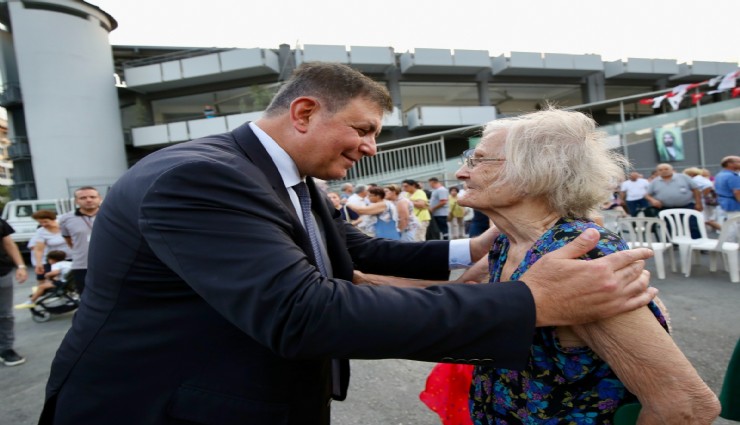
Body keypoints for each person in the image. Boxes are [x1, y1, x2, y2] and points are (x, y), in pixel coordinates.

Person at [40, 63, 656, 425]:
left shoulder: (283, 177)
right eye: (363, 130)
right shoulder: (203, 177)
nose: (370, 149)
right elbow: (302, 311)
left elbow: (359, 253)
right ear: (303, 112)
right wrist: (529, 302)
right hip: (167, 410)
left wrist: (473, 251)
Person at [416, 108, 719, 424]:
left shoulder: (579, 254)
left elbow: (686, 404)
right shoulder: (509, 241)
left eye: (479, 160)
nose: (463, 172)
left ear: (534, 172)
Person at [58, 186, 101, 295]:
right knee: (86, 297)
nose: (89, 200)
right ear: (77, 201)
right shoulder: (66, 219)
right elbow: (69, 240)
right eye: (83, 198)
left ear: (99, 198)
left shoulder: (112, 214)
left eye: (92, 197)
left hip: (110, 264)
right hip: (82, 265)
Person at [645, 163, 703, 238]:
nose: (664, 171)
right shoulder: (655, 182)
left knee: (692, 225)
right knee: (669, 227)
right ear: (657, 172)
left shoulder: (683, 177)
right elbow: (647, 195)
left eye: (666, 169)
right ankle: (673, 245)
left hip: (686, 206)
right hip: (666, 208)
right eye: (660, 170)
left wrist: (698, 203)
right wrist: (652, 200)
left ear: (672, 170)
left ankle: (696, 244)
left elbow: (695, 189)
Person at [0, 218, 28, 366]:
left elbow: (8, 243)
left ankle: (6, 349)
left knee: (5, 315)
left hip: (1, 273)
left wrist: (21, 266)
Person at [31, 210, 72, 284]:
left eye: (45, 221)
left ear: (53, 219)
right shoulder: (41, 231)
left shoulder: (65, 226)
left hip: (71, 256)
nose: (43, 224)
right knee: (43, 276)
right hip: (55, 259)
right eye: (40, 222)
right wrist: (39, 263)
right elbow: (39, 249)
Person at [683, 167, 721, 233]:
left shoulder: (696, 179)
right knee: (706, 219)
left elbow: (707, 186)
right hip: (706, 202)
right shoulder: (701, 178)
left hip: (703, 202)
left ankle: (723, 230)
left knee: (705, 219)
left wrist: (702, 195)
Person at [715, 155, 740, 242]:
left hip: (723, 203)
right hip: (734, 205)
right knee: (733, 227)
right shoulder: (733, 176)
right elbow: (737, 192)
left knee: (728, 225)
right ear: (729, 164)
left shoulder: (720, 174)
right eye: (738, 162)